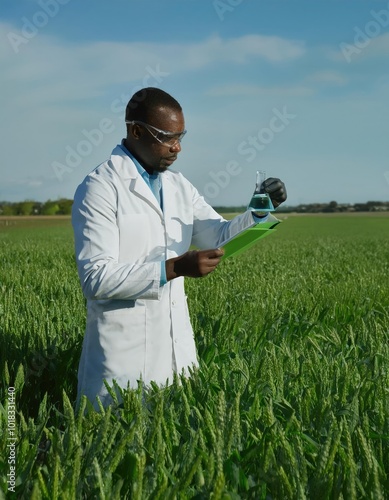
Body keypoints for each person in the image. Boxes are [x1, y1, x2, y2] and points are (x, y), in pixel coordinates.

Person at [72, 87, 287, 408]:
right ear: (135, 130)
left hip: (176, 352)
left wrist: (257, 212)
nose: (177, 147)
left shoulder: (179, 186)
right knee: (111, 448)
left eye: (181, 136)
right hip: (122, 357)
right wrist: (173, 268)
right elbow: (96, 279)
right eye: (167, 137)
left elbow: (217, 236)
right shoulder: (100, 187)